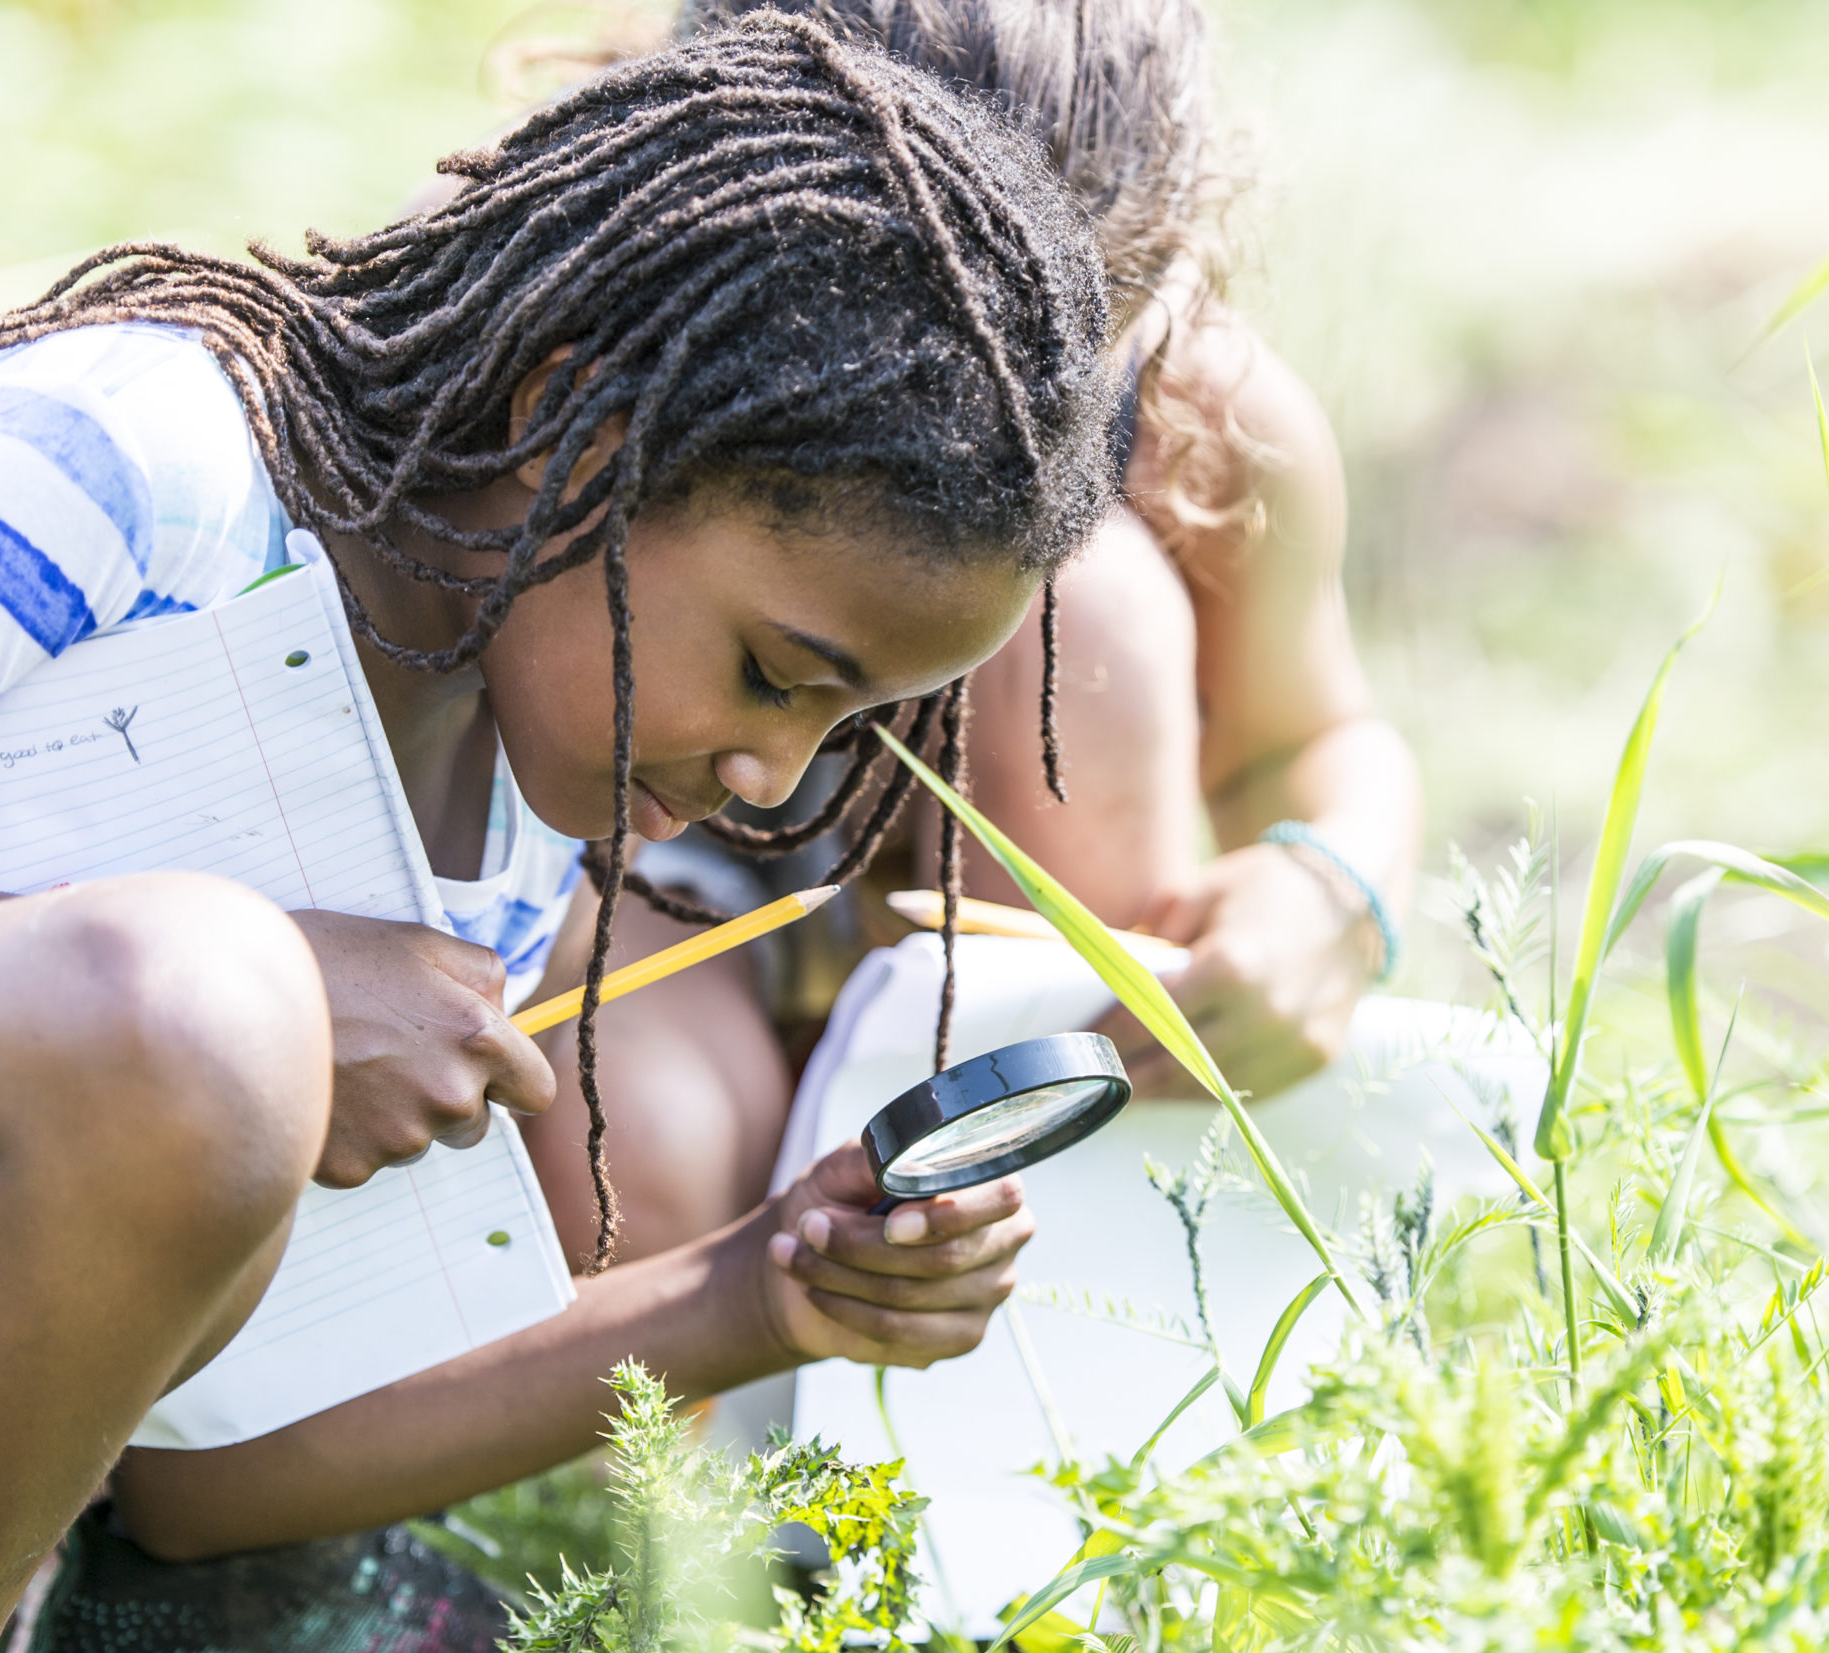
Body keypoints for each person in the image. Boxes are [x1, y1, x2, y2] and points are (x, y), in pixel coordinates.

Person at [0, 17, 1116, 1653]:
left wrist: (764, 1288)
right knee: (198, 1004)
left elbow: (195, 1475)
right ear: (577, 421)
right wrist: (257, 991)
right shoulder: (140, 459)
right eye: (774, 670)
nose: (772, 771)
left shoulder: (516, 815)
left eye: (847, 728)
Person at [521, 0, 1426, 1269]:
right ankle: (693, 1416)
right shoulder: (571, 309)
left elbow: (1313, 735)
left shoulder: (1199, 415)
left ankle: (1053, 1305)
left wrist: (1330, 889)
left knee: (1090, 617)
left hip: (991, 910)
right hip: (643, 868)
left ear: (1149, 281)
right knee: (637, 1148)